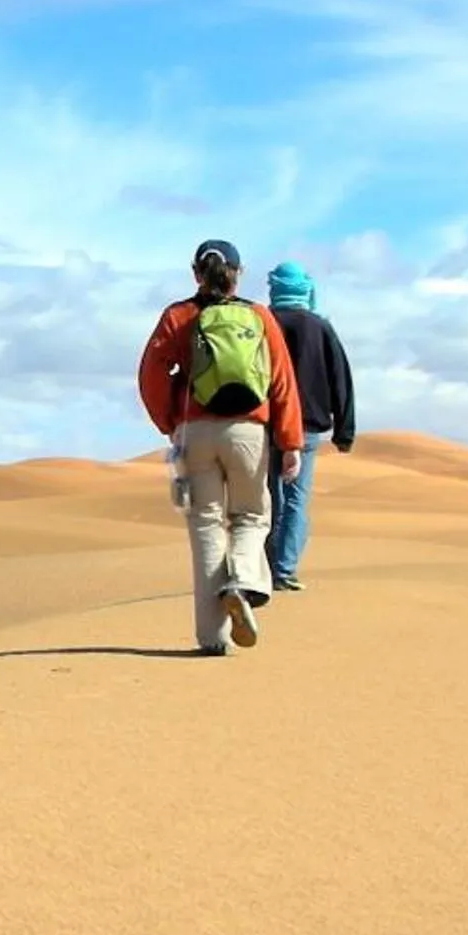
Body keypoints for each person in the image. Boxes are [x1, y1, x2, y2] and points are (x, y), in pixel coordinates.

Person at [137, 239, 303, 656]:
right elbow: (282, 382)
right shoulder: (259, 316)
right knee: (251, 516)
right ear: (238, 273)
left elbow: (151, 372)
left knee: (206, 526)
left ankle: (212, 637)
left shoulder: (178, 316)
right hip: (249, 431)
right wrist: (291, 443)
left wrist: (170, 422)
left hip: (196, 432)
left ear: (196, 272)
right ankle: (244, 582)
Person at [264, 261, 356, 592]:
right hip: (308, 428)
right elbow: (341, 380)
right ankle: (283, 570)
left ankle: (265, 568)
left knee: (269, 498)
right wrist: (345, 432)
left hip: (266, 425)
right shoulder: (320, 327)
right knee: (295, 500)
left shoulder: (262, 322)